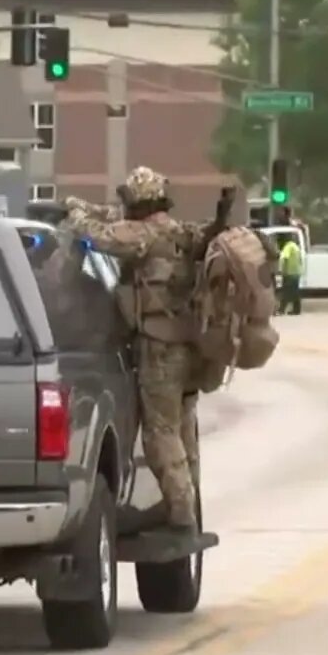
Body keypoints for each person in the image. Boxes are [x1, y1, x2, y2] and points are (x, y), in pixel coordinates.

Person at [61, 167, 213, 535]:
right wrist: (84, 204)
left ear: (138, 201)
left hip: (159, 348)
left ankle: (179, 509)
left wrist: (75, 216)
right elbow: (113, 217)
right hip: (188, 345)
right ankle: (189, 501)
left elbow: (100, 237)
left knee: (160, 431)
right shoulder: (177, 231)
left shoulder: (142, 235)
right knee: (182, 427)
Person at [277, 234, 304, 315]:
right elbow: (300, 260)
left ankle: (281, 310)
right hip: (296, 273)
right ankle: (297, 310)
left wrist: (281, 270)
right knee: (295, 292)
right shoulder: (296, 247)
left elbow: (284, 258)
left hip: (289, 272)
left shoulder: (288, 247)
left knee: (286, 292)